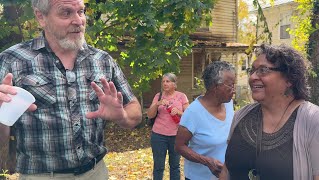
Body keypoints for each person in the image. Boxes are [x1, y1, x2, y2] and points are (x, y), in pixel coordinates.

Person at [0, 0, 142, 179]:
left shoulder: (102, 60)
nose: (78, 21)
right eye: (66, 13)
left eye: (81, 11)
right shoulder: (12, 60)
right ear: (40, 17)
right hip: (41, 176)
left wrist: (123, 116)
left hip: (96, 172)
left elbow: (135, 110)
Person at [220, 44, 319, 180]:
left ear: (289, 79)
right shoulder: (241, 115)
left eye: (263, 70)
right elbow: (226, 171)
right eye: (252, 70)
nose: (253, 77)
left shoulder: (313, 120)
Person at [175, 61, 235, 180]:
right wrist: (206, 161)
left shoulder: (228, 104)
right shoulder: (193, 113)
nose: (233, 90)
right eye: (230, 85)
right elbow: (179, 146)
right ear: (215, 87)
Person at [146, 73, 189, 180]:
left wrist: (179, 112)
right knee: (158, 166)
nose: (165, 83)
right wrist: (157, 104)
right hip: (158, 136)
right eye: (163, 81)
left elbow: (189, 116)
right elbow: (150, 115)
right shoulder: (158, 96)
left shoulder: (182, 96)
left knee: (175, 166)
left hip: (176, 135)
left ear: (174, 84)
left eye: (168, 81)